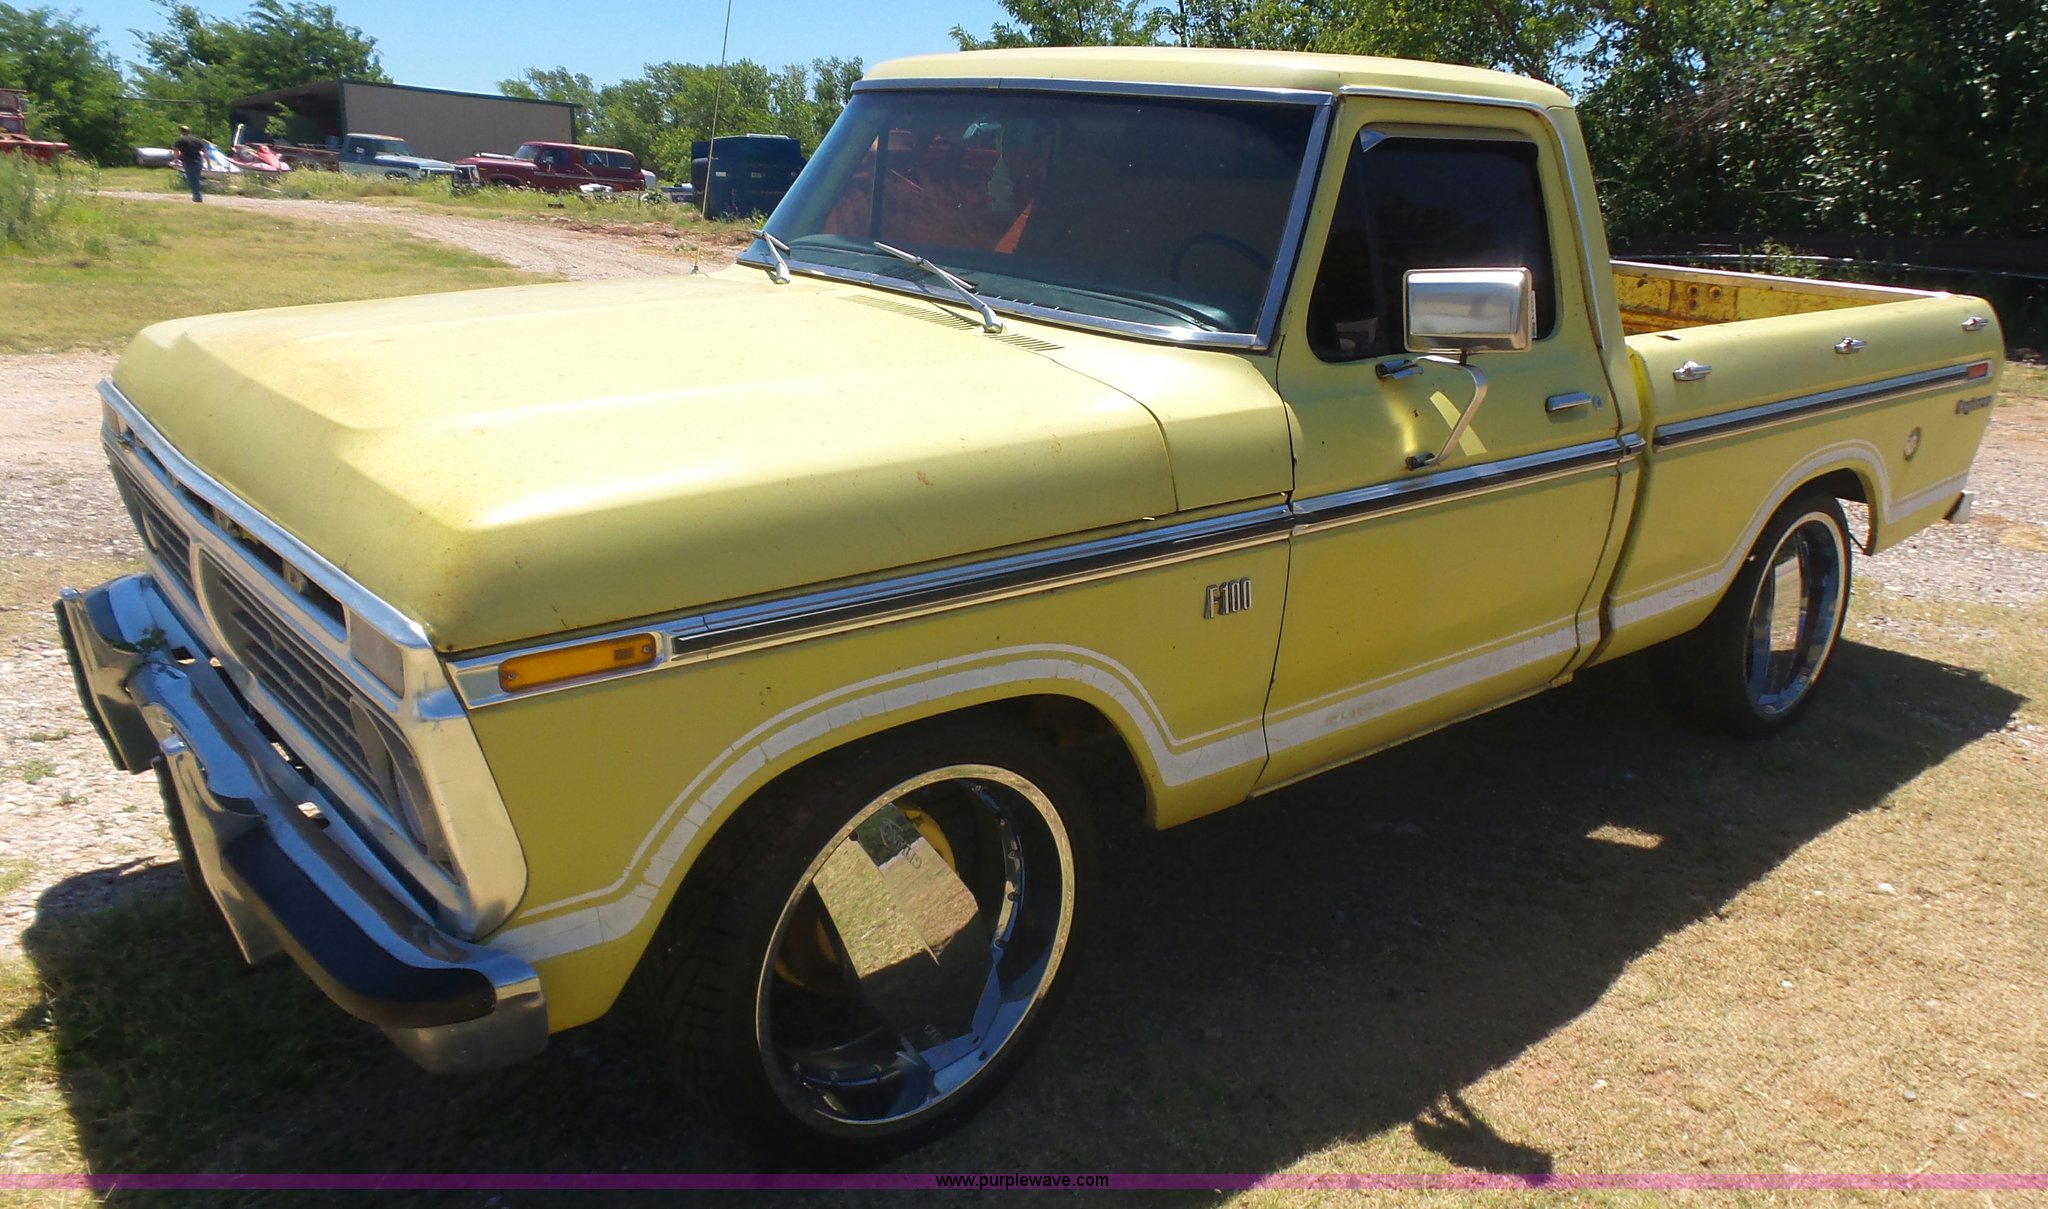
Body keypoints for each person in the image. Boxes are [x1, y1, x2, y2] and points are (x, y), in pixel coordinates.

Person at [173, 125, 206, 203]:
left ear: (181, 132)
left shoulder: (180, 140)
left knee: (192, 179)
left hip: (189, 161)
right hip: (199, 161)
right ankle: (197, 195)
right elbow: (205, 151)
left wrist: (176, 160)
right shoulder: (197, 140)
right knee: (196, 179)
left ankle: (197, 197)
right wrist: (207, 162)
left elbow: (176, 151)